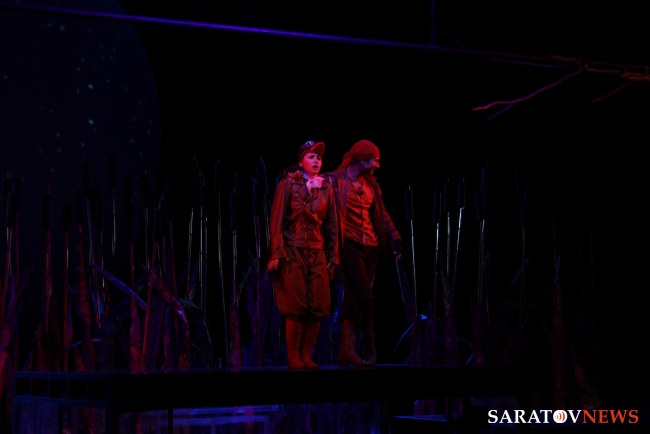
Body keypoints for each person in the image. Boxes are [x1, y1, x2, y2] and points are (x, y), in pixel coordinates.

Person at [324, 139, 402, 367]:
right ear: (361, 160)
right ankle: (369, 342)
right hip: (349, 245)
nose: (377, 165)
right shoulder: (334, 181)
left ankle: (346, 350)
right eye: (374, 161)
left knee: (355, 298)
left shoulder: (372, 185)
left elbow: (381, 213)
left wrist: (394, 237)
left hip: (372, 246)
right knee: (365, 296)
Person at [267, 141, 338, 369]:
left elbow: (332, 225)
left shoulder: (326, 187)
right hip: (293, 249)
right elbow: (277, 219)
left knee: (317, 306)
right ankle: (293, 356)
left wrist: (333, 257)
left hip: (317, 251)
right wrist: (276, 253)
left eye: (319, 157)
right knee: (296, 306)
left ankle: (306, 355)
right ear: (300, 162)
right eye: (311, 156)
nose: (316, 161)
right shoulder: (288, 184)